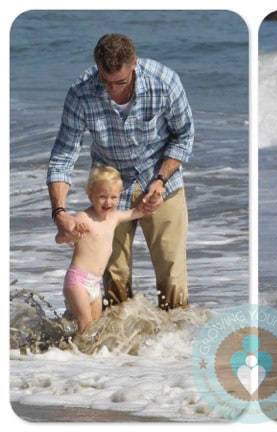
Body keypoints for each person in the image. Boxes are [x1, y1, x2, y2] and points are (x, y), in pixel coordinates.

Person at [47, 33, 194, 310]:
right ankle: (116, 352)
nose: (112, 89)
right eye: (106, 81)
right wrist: (59, 212)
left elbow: (184, 136)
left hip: (162, 182)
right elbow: (63, 156)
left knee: (172, 278)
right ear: (97, 69)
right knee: (114, 282)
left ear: (134, 64)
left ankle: (175, 349)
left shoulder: (165, 82)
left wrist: (161, 179)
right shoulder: (81, 93)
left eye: (120, 82)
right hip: (109, 191)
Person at [56, 167, 148, 335]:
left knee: (95, 329)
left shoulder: (115, 217)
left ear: (120, 195)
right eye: (102, 197)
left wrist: (152, 202)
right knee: (85, 324)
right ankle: (75, 359)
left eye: (114, 197)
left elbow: (137, 212)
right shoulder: (83, 218)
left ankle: (84, 359)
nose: (108, 202)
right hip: (78, 281)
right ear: (91, 195)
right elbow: (59, 238)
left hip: (95, 284)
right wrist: (74, 234)